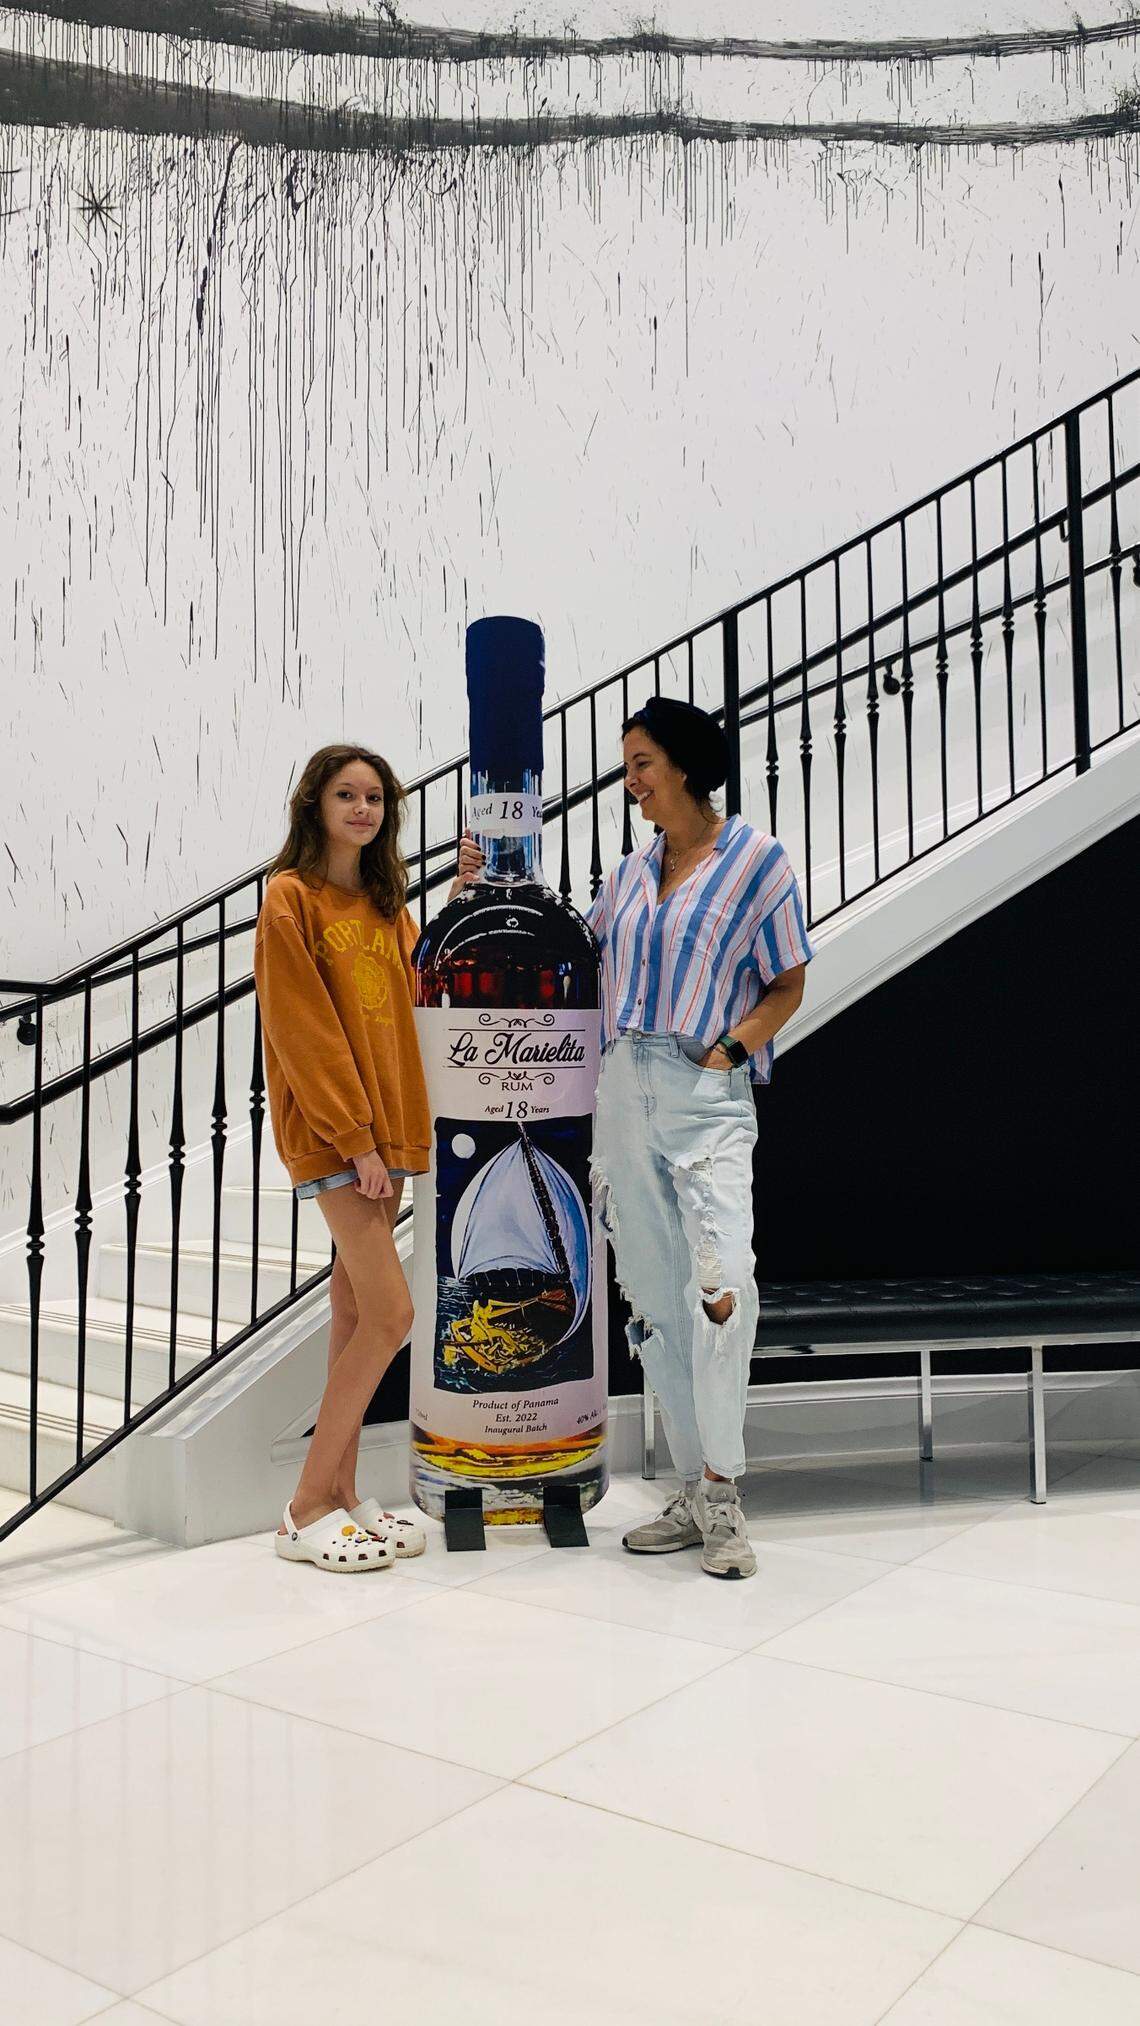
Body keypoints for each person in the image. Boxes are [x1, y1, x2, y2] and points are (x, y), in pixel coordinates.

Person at [457, 697, 811, 1578]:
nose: (631, 782)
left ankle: (724, 1492)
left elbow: (788, 981)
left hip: (702, 1091)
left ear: (684, 764)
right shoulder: (625, 877)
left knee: (721, 1285)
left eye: (642, 763)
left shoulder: (756, 861)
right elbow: (571, 958)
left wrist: (730, 1049)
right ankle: (692, 1490)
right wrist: (477, 891)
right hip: (621, 1090)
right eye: (629, 766)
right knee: (653, 1300)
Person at [254, 743, 470, 1572]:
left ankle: (342, 1494)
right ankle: (306, 1505)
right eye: (346, 794)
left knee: (353, 1318)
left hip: (389, 1130)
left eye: (374, 797)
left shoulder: (383, 905)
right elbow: (300, 1028)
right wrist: (355, 1139)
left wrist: (456, 902)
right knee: (391, 1316)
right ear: (315, 803)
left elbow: (416, 988)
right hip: (339, 1135)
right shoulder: (290, 899)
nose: (362, 809)